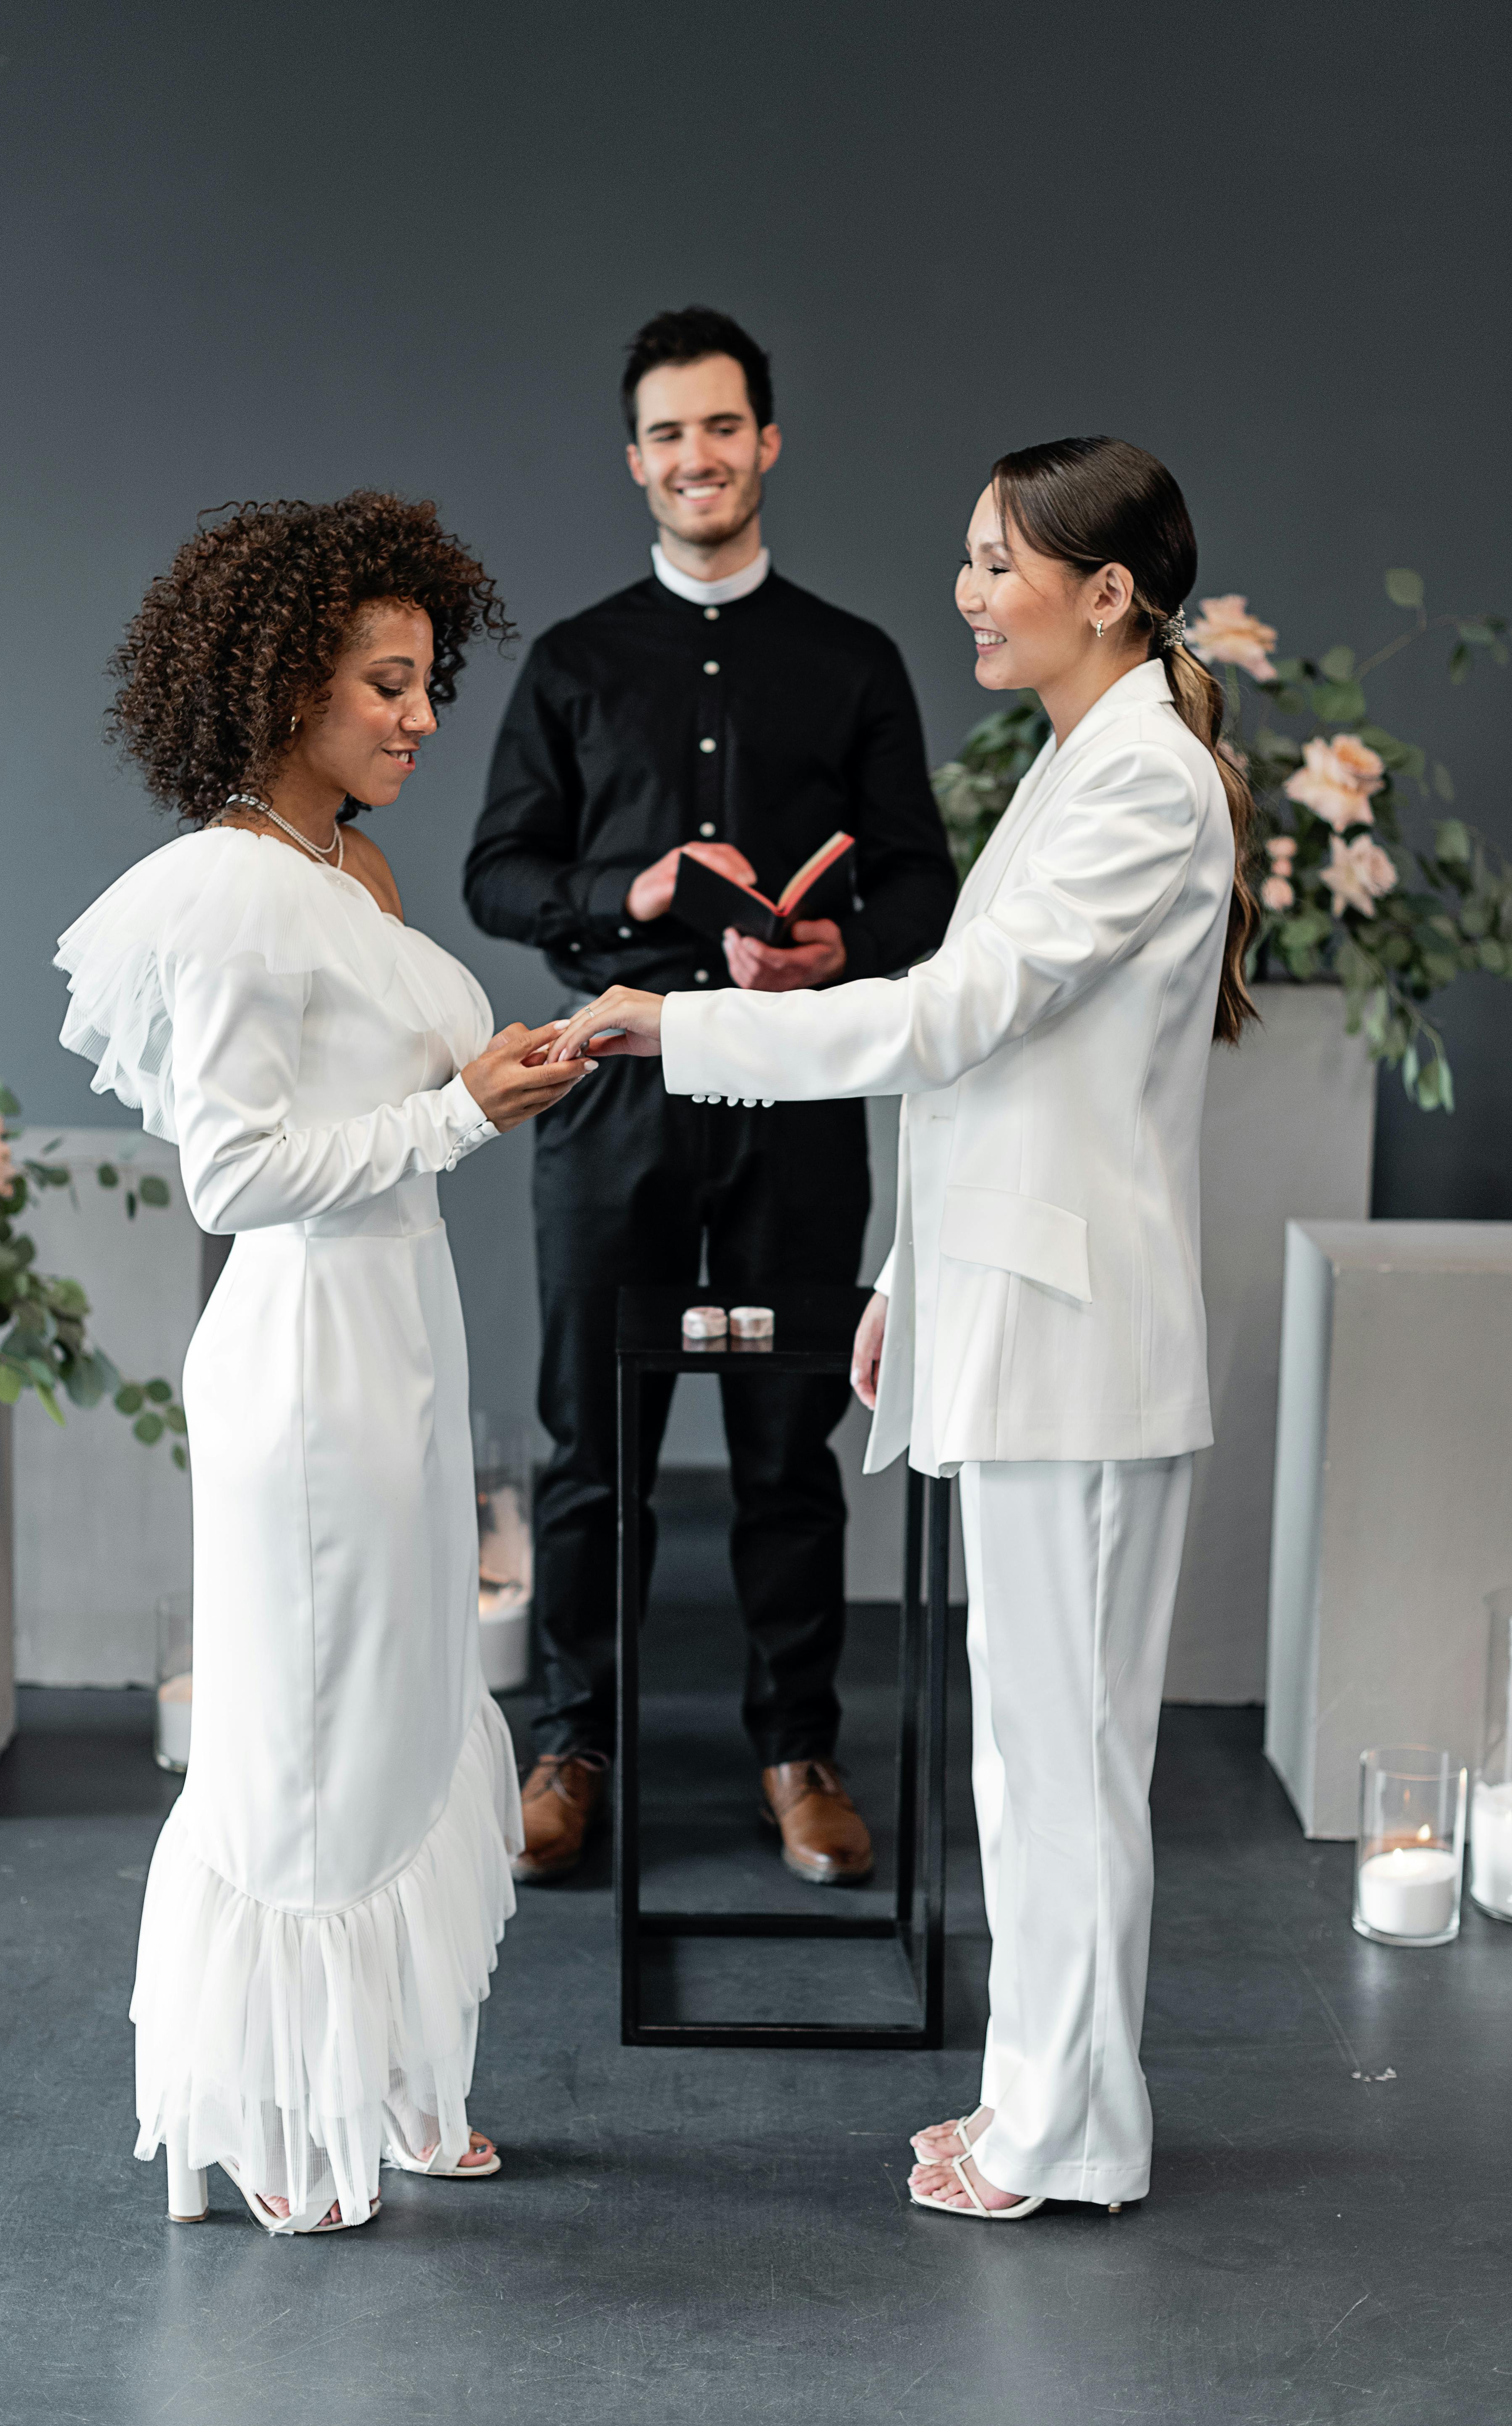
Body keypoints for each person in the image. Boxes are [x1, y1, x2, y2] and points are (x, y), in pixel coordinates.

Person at [548, 436, 1257, 2219]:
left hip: (1078, 1341)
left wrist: (680, 1028)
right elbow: (1008, 1076)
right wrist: (900, 1281)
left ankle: (1065, 2136)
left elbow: (950, 1025)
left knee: (1061, 1767)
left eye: (991, 560)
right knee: (1029, 1758)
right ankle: (1045, 2112)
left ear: (1104, 589)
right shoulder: (1079, 760)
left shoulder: (1141, 783)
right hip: (1023, 1312)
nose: (962, 590)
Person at [56, 493, 595, 2234]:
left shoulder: (344, 867)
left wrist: (483, 1083)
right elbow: (232, 1178)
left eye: (427, 681)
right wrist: (457, 1108)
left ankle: (390, 2073)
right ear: (289, 684)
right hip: (303, 1357)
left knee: (412, 1704)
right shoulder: (223, 894)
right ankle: (283, 2123)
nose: (420, 718)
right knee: (300, 1741)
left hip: (399, 1333)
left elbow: (372, 1100)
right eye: (387, 684)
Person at [464, 307, 957, 1886]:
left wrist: (837, 950)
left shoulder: (854, 658)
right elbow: (496, 876)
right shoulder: (573, 661)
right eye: (669, 433)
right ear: (636, 460)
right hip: (610, 1097)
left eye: (723, 427)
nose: (699, 457)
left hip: (799, 1100)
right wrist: (638, 883)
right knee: (587, 1446)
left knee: (786, 1440)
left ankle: (794, 1749)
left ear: (767, 443)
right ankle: (570, 1749)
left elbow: (924, 893)